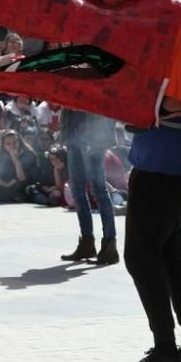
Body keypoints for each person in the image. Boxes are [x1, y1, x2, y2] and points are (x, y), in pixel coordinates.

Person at [121, 96, 181, 362]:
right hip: (179, 164)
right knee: (171, 258)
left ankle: (165, 349)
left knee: (141, 258)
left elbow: (177, 101)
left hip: (160, 166)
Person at [60, 109, 119, 265]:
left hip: (93, 136)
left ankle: (109, 244)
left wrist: (102, 137)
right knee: (78, 191)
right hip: (74, 135)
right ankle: (87, 243)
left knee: (99, 190)